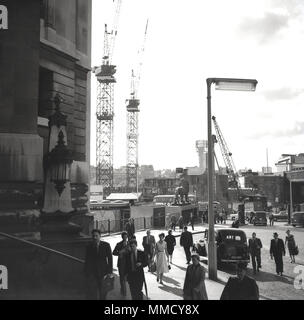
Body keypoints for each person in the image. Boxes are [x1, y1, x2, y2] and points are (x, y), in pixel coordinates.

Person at [84, 229, 113, 300]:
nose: (95, 237)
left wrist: (110, 272)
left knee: (103, 292)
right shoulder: (89, 246)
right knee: (93, 292)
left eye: (96, 236)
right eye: (93, 236)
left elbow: (110, 259)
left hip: (103, 273)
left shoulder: (106, 245)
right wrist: (86, 271)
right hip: (93, 273)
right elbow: (87, 260)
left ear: (100, 236)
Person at [113, 231, 129, 296]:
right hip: (121, 263)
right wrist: (119, 252)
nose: (125, 238)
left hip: (128, 263)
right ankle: (123, 290)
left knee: (126, 278)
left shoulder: (129, 244)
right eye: (124, 236)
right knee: (122, 277)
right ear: (122, 237)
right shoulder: (118, 244)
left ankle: (123, 288)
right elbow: (113, 252)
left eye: (126, 236)